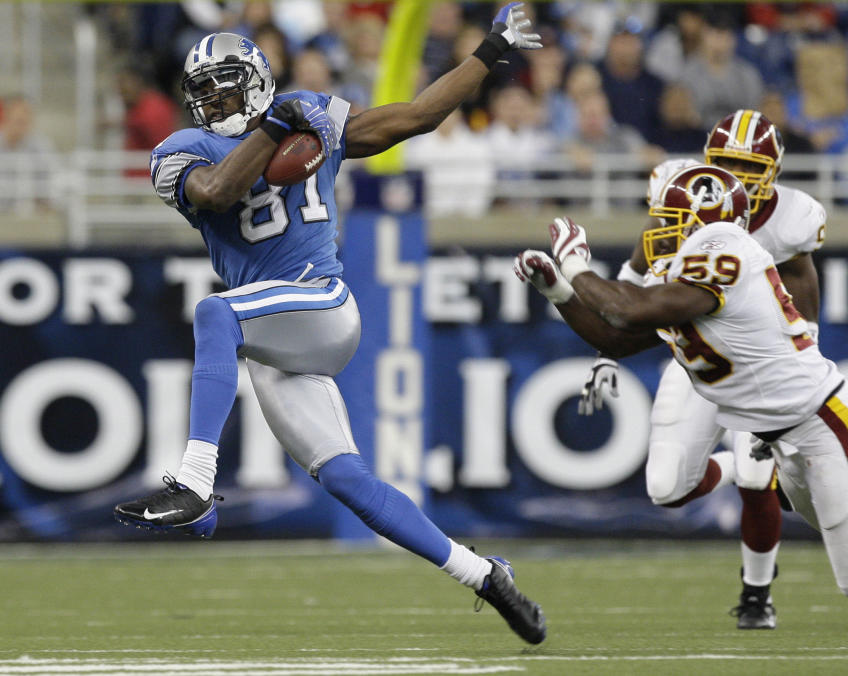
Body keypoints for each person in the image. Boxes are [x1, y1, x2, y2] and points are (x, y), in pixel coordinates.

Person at [113, 4, 547, 646]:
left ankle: (195, 483)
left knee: (213, 311)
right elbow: (216, 194)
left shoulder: (308, 111)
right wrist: (272, 129)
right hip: (270, 334)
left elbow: (417, 117)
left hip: (320, 303)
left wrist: (488, 51)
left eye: (225, 85)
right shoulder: (182, 151)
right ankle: (485, 575)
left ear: (255, 79)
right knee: (349, 481)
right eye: (202, 93)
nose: (213, 101)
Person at [514, 165, 848, 604]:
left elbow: (626, 312)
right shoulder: (678, 271)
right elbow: (614, 337)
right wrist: (557, 289)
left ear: (704, 223)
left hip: (822, 424)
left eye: (669, 219)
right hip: (781, 434)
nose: (657, 229)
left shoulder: (726, 252)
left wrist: (575, 263)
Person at [575, 109, 827, 629]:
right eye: (726, 163)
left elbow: (803, 289)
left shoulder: (791, 217)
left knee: (761, 473)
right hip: (699, 363)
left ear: (774, 171)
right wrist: (608, 352)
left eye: (749, 165)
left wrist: (803, 362)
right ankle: (736, 467)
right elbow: (636, 274)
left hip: (758, 367)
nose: (737, 176)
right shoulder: (684, 191)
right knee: (667, 488)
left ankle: (757, 596)